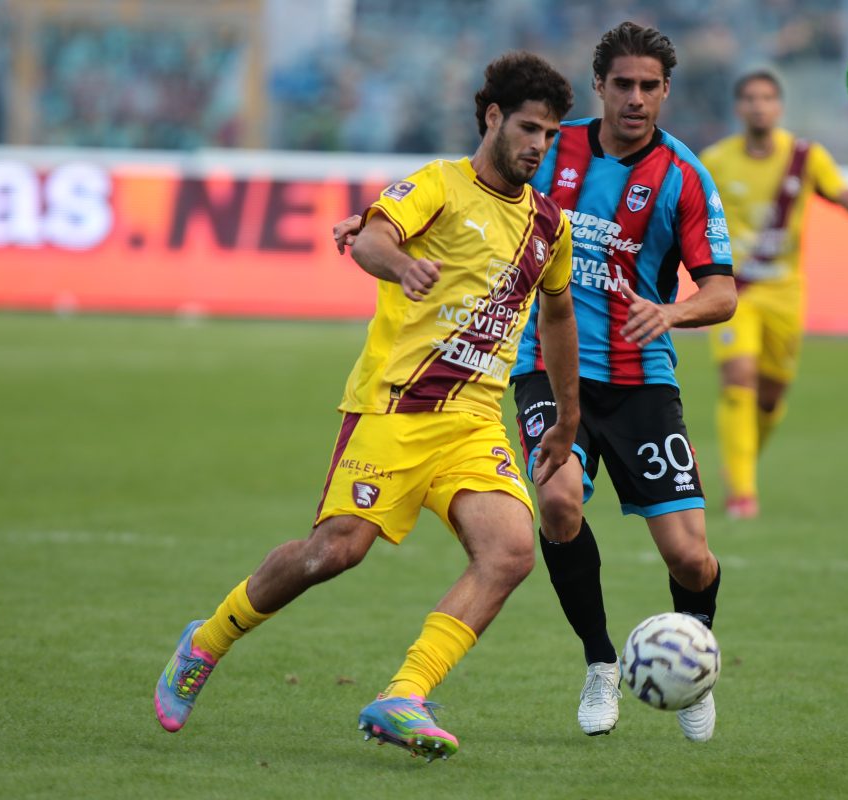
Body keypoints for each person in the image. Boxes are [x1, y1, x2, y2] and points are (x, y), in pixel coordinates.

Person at [154, 51, 580, 764]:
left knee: (509, 552)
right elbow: (375, 236)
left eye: (551, 135)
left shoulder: (548, 226)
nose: (539, 145)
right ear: (493, 117)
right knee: (332, 553)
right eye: (530, 128)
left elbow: (559, 315)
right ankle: (207, 641)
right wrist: (401, 264)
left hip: (474, 423)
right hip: (394, 410)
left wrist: (567, 415)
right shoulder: (437, 185)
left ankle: (405, 694)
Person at [333, 22, 736, 743]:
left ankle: (693, 660)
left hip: (642, 378)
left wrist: (672, 312)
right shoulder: (550, 150)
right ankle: (600, 662)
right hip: (545, 369)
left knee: (690, 555)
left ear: (666, 92)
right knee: (555, 505)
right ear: (600, 88)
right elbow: (472, 195)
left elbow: (723, 292)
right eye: (622, 85)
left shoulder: (684, 177)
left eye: (649, 87)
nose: (636, 99)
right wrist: (377, 229)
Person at [698, 70, 848, 519]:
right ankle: (742, 493)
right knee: (738, 381)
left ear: (779, 107)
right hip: (734, 292)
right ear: (738, 107)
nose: (758, 106)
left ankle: (744, 460)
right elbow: (688, 210)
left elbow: (840, 190)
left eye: (767, 98)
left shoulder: (805, 157)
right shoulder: (715, 160)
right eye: (750, 98)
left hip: (785, 293)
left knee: (770, 397)